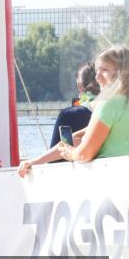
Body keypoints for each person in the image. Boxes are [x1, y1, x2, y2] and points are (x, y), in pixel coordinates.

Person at [19, 46, 129, 177]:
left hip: (110, 181)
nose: (97, 77)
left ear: (122, 73)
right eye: (97, 71)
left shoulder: (108, 105)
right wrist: (36, 161)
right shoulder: (120, 104)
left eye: (104, 70)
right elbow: (79, 138)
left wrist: (70, 152)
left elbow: (84, 153)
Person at [48, 63, 101, 148]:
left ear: (79, 86)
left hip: (75, 158)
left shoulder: (68, 115)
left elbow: (59, 151)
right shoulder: (115, 110)